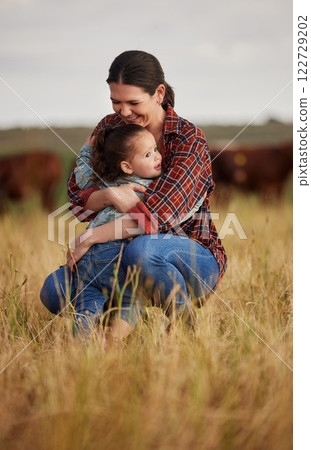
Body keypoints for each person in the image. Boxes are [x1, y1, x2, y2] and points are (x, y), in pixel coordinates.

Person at [41, 50, 227, 341]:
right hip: (116, 257)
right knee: (54, 290)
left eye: (133, 102)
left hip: (188, 256)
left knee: (143, 251)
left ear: (159, 93)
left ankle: (186, 330)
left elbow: (158, 218)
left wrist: (91, 236)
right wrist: (111, 195)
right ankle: (114, 324)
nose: (124, 112)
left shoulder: (188, 140)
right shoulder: (109, 128)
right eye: (116, 102)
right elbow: (77, 199)